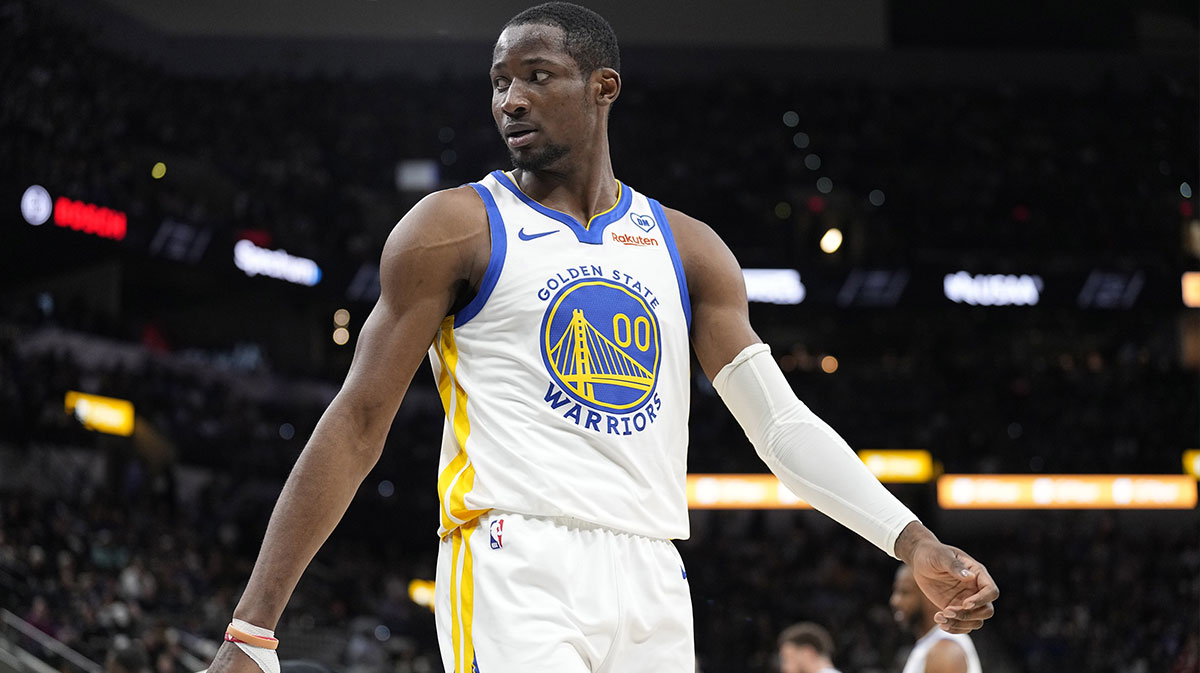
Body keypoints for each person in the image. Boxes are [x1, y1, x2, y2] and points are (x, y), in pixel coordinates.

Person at [204, 4, 999, 673]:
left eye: (536, 75)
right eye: (499, 82)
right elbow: (357, 420)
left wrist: (912, 538)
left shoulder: (688, 249)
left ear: (602, 88)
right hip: (516, 555)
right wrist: (253, 627)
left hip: (653, 570)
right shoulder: (454, 228)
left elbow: (781, 424)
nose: (511, 99)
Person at [891, 564, 984, 673]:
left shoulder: (945, 650)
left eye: (905, 592)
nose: (894, 600)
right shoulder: (930, 646)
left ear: (931, 596)